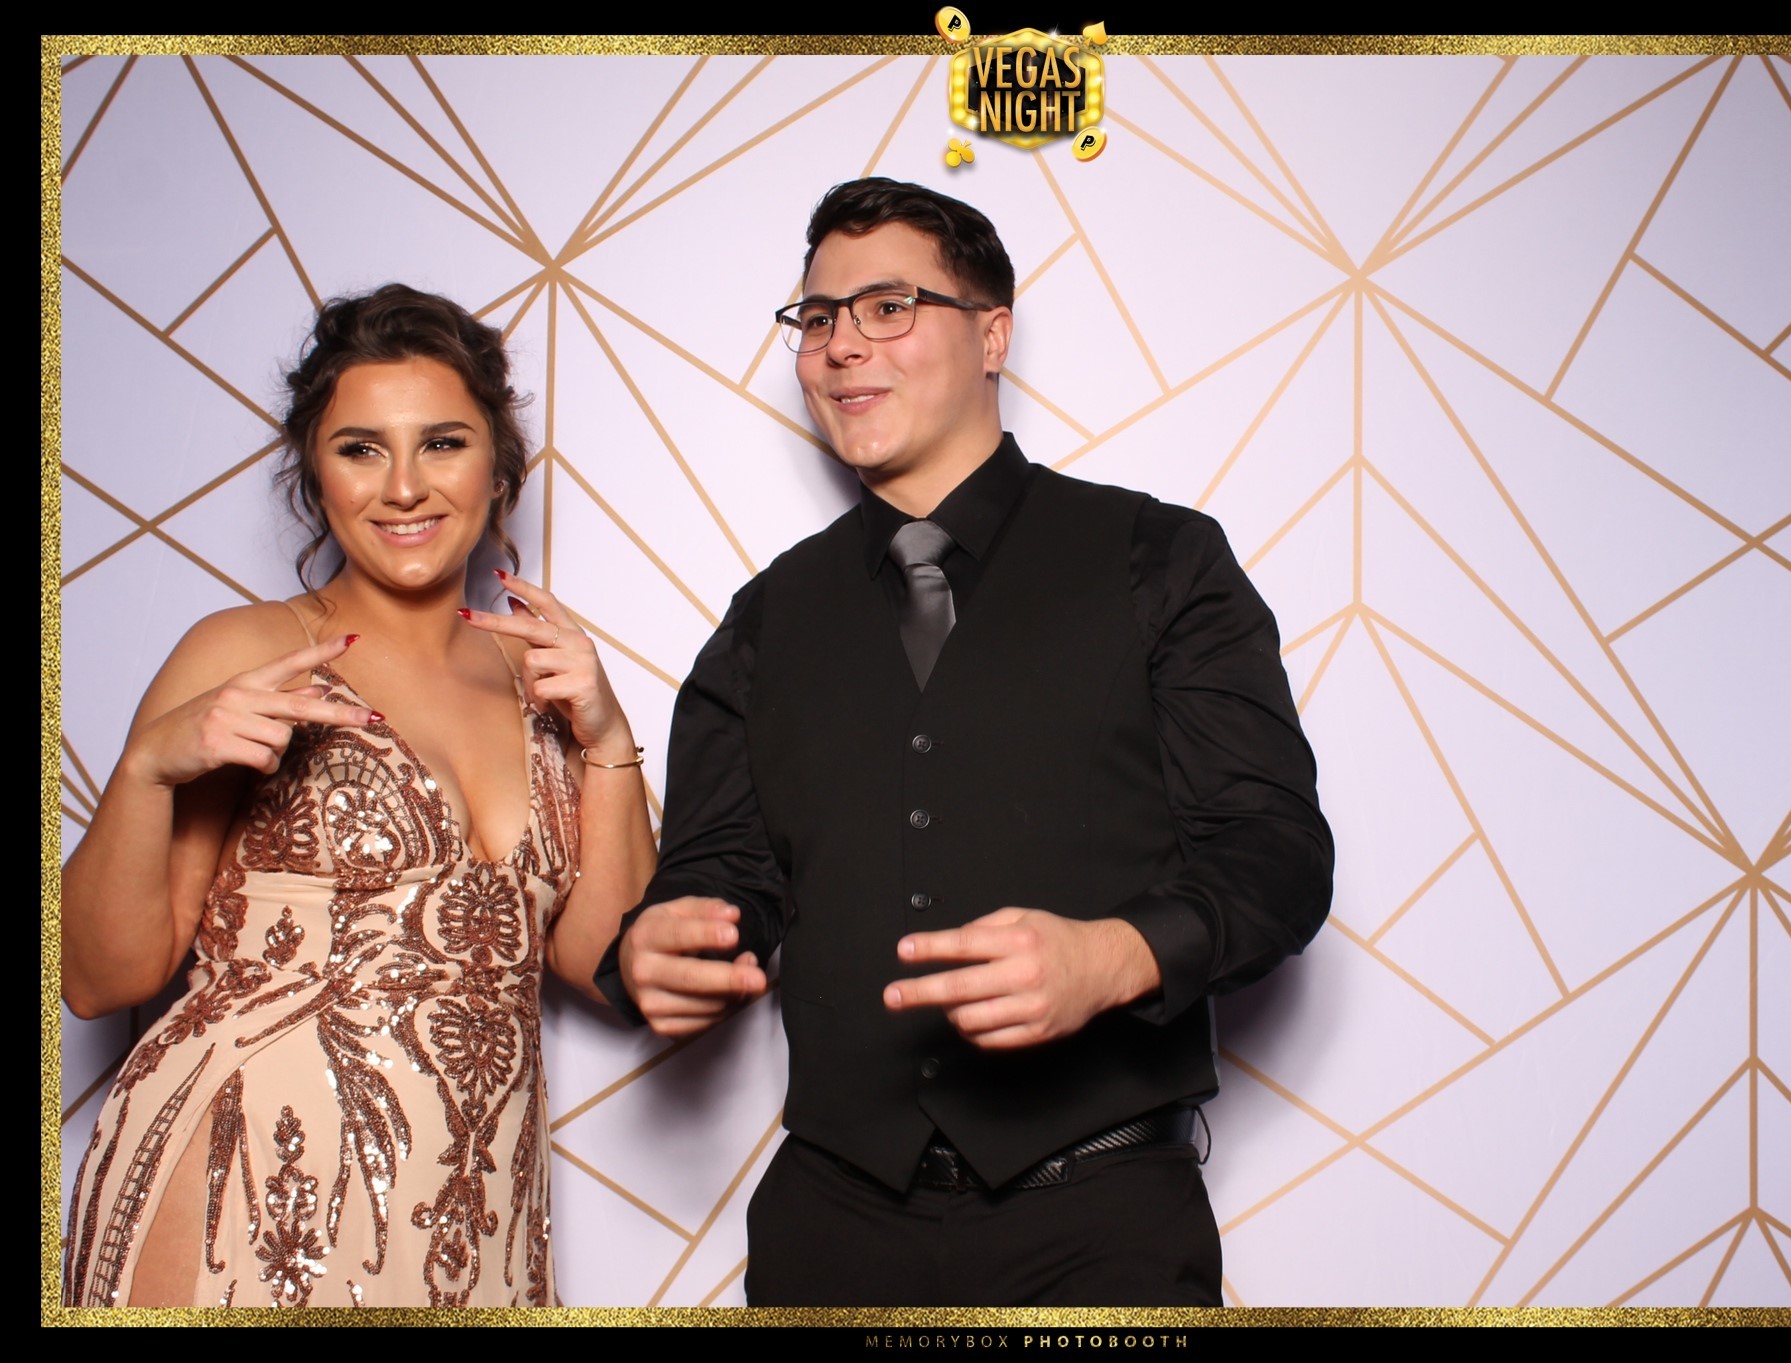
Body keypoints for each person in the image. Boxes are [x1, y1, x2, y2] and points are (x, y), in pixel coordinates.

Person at [597, 178, 1334, 1306]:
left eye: (888, 306)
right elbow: (721, 873)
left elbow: (1275, 855)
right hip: (829, 1228)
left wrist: (1115, 957)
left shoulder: (1162, 560)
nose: (843, 344)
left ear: (992, 336)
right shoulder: (763, 620)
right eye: (818, 317)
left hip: (1100, 1227)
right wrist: (665, 942)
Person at [61, 284, 653, 1308]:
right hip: (248, 1193)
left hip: (473, 1217)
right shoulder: (247, 649)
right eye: (361, 448)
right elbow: (98, 979)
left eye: (443, 443)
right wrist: (145, 770)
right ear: (316, 473)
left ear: (498, 466)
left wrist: (606, 741)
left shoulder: (546, 681)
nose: (405, 487)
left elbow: (609, 970)